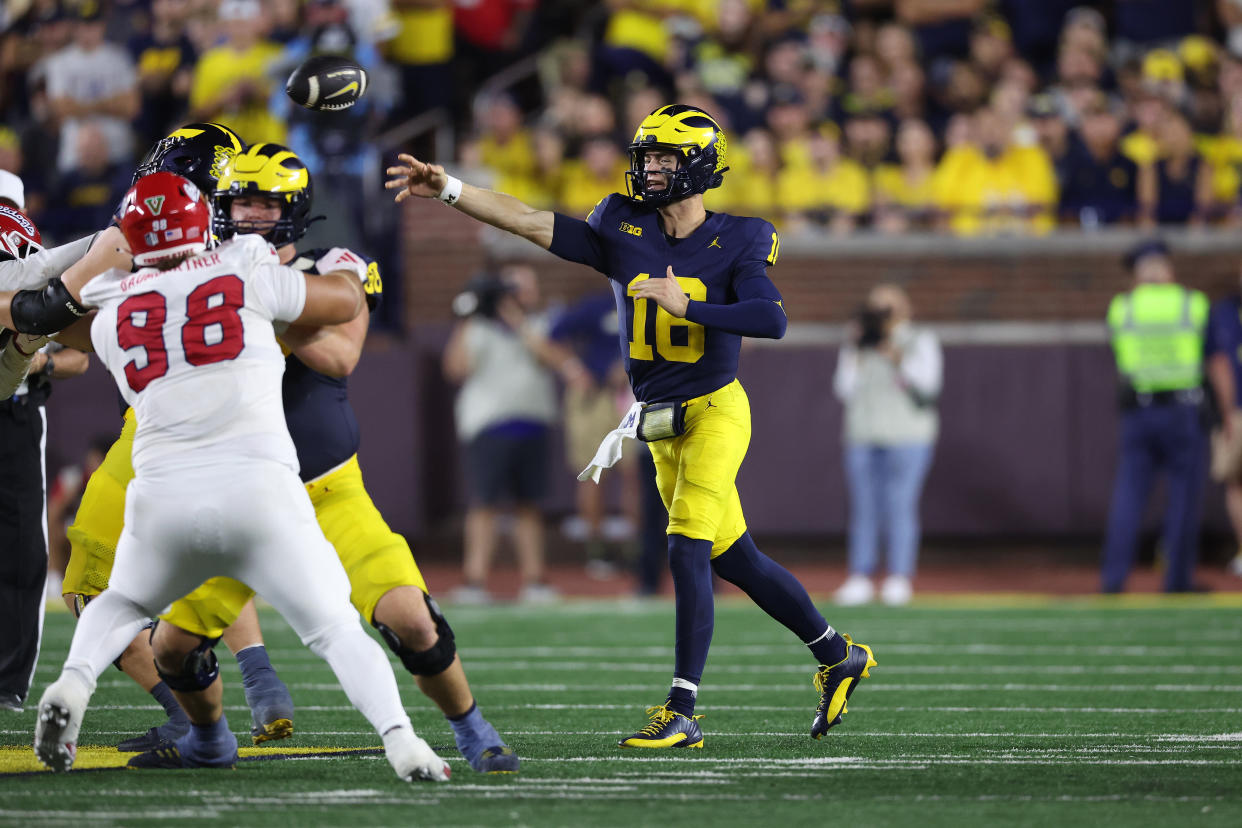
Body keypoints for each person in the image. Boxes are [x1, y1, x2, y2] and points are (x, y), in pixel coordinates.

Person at [387, 103, 878, 748]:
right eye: (645, 156)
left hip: (716, 411)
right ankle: (837, 653)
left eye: (665, 158)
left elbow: (771, 318)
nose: (648, 168)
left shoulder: (742, 236)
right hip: (660, 420)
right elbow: (534, 222)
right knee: (737, 557)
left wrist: (692, 303)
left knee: (685, 544)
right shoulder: (622, 223)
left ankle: (682, 709)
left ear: (699, 167)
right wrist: (448, 188)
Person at [30, 171, 450, 783]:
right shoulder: (246, 265)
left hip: (163, 494)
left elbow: (48, 324)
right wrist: (335, 273)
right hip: (258, 490)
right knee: (335, 628)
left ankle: (72, 681)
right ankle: (402, 741)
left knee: (122, 601)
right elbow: (342, 303)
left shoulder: (109, 301)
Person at [112, 143, 516, 772]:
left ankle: (472, 728)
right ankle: (210, 739)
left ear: (293, 209)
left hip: (327, 491)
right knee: (172, 649)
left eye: (265, 202)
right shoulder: (200, 270)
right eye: (240, 200)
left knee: (412, 619)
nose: (249, 215)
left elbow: (339, 356)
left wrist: (252, 298)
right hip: (240, 494)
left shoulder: (334, 264)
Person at [32, 122, 298, 755]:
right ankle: (261, 682)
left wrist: (23, 328)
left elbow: (54, 312)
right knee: (210, 555)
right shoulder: (246, 243)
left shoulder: (147, 228)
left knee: (88, 582)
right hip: (248, 411)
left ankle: (191, 722)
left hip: (163, 419)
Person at [0, 174, 90, 713]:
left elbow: (79, 351)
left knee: (21, 546)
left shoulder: (36, 267)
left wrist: (36, 358)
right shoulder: (37, 264)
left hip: (16, 407)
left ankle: (9, 680)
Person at [443, 264, 561, 605]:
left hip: (533, 424)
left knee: (529, 505)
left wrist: (518, 323)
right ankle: (475, 580)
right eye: (513, 287)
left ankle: (535, 580)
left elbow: (552, 358)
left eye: (526, 287)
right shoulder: (478, 326)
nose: (520, 294)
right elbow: (455, 369)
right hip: (488, 427)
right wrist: (468, 315)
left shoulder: (543, 323)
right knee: (484, 504)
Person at [1101, 239, 1209, 593]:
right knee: (1183, 498)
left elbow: (1120, 352)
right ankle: (1176, 579)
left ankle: (1113, 579)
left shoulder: (1122, 307)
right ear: (1168, 269)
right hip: (1182, 408)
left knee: (1128, 496)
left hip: (1139, 409)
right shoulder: (1192, 303)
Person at [832, 284, 942, 607]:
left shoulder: (920, 339)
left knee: (900, 505)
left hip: (908, 436)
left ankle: (898, 576)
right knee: (864, 508)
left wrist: (898, 360)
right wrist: (855, 350)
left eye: (887, 308)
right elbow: (843, 388)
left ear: (904, 309)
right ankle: (860, 576)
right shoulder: (859, 343)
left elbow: (929, 387)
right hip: (863, 435)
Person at [1203, 262, 1242, 579]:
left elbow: (1218, 364)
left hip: (1235, 412)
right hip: (1237, 411)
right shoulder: (1224, 312)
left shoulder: (1224, 312)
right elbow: (1219, 363)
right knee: (1236, 482)